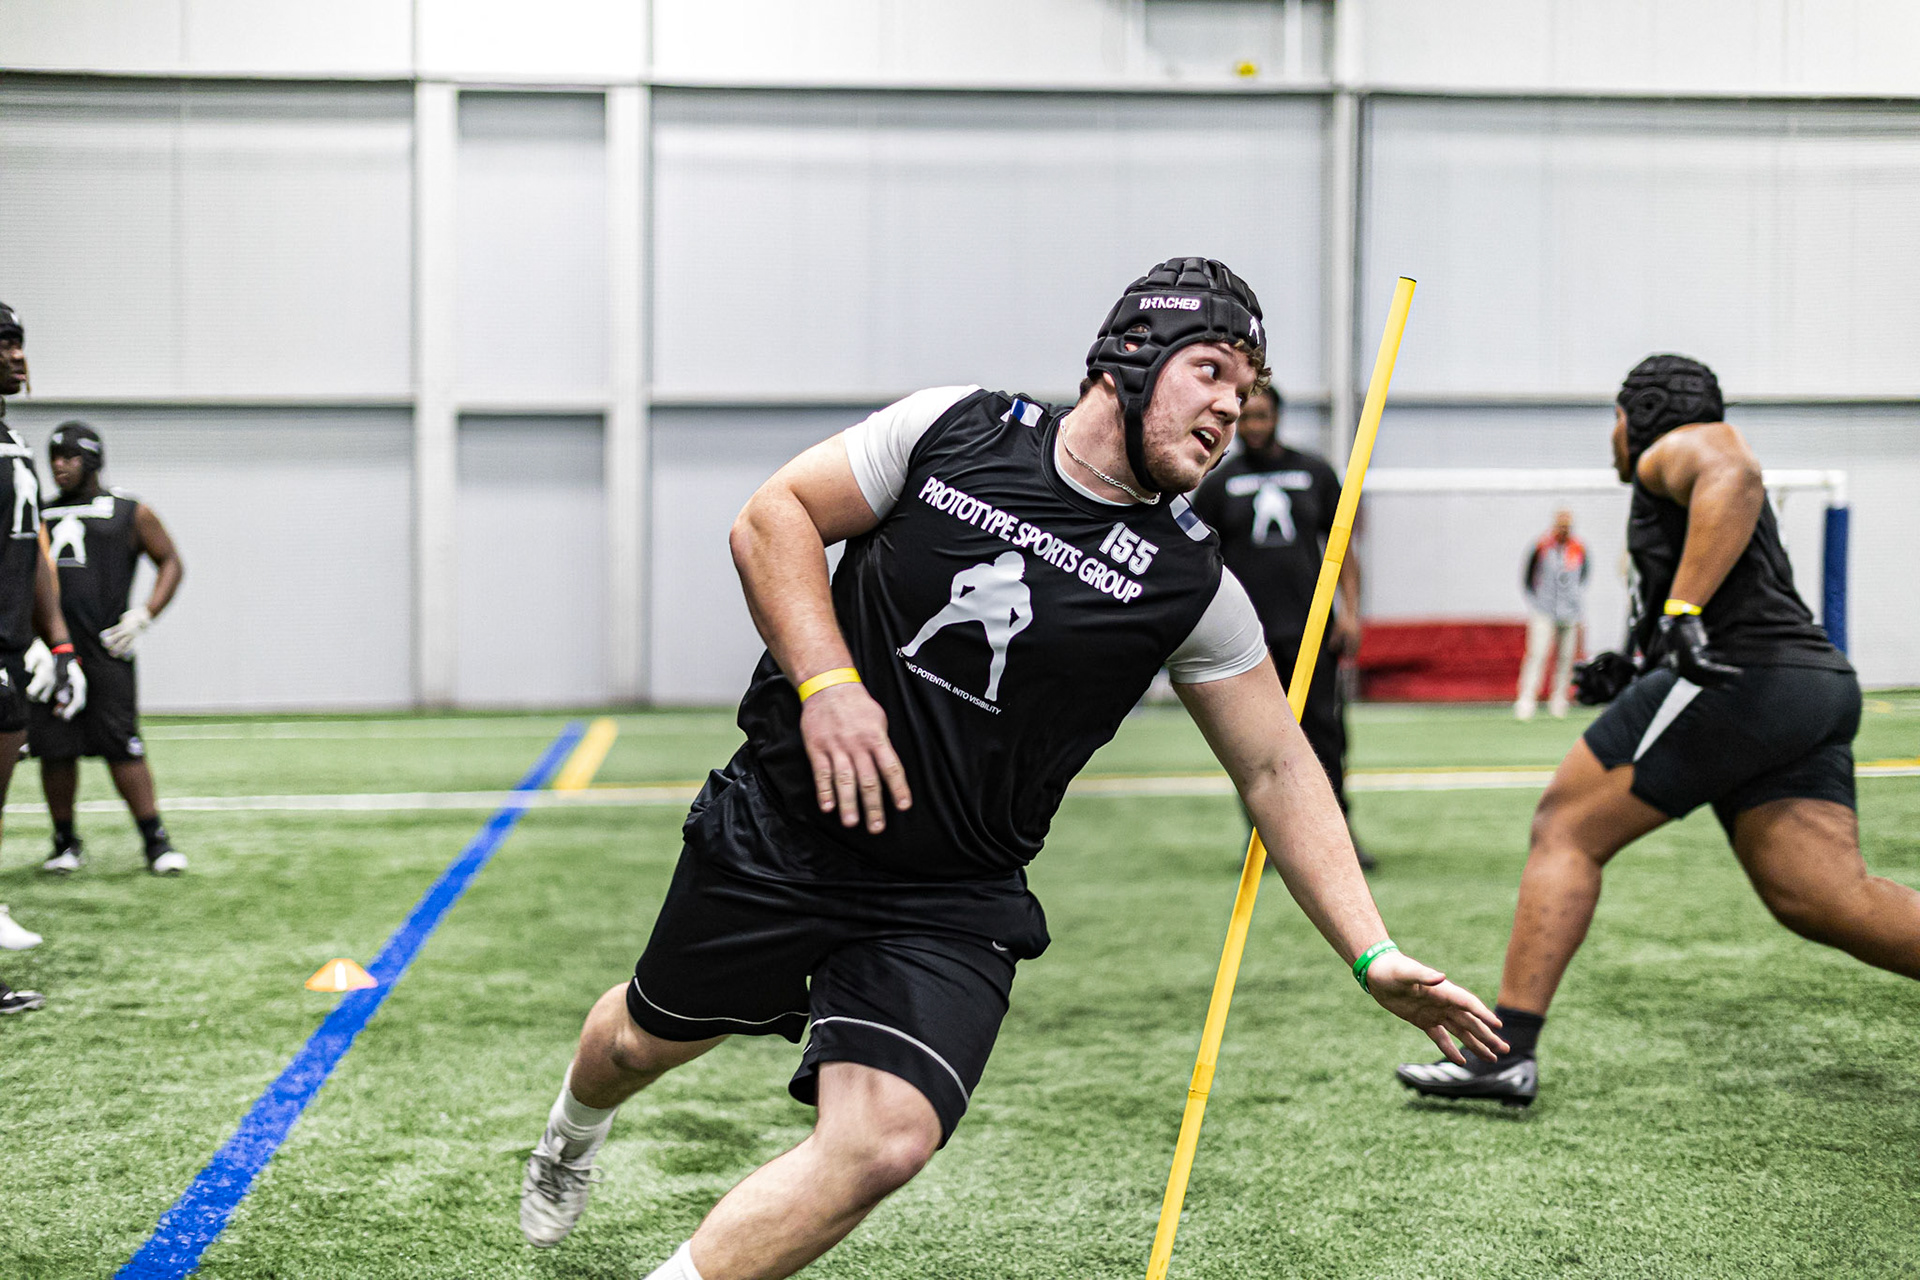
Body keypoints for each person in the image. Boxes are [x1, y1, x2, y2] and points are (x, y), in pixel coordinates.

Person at [519, 259, 1504, 1280]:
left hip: (950, 892)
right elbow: (774, 519)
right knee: (640, 1041)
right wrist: (829, 685)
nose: (1229, 407)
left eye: (1245, 389)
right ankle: (569, 1136)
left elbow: (1276, 766)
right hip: (783, 829)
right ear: (1130, 357)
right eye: (1211, 370)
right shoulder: (957, 429)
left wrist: (1371, 951)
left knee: (886, 1139)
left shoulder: (1191, 582)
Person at [1396, 354, 1909, 1108]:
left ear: (1637, 416)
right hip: (1811, 687)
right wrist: (1639, 660)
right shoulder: (1677, 494)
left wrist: (1682, 614)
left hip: (1742, 681)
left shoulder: (1670, 450)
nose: (1612, 436)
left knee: (1565, 827)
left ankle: (1505, 1054)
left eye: (1613, 419)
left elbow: (1734, 468)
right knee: (1826, 898)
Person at [1193, 385, 1370, 867]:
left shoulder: (1314, 473)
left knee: (1325, 735)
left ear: (1277, 418)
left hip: (1314, 631)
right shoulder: (1218, 484)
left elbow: (1342, 547)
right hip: (1246, 640)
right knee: (1254, 742)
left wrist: (1350, 612)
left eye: (1262, 416)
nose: (1254, 426)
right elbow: (1199, 562)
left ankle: (1338, 836)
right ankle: (1267, 840)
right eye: (1246, 418)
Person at [32, 421, 186, 875]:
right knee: (55, 748)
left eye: (70, 457)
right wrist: (32, 639)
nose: (59, 466)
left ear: (93, 460)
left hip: (106, 649)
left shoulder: (127, 510)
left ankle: (156, 842)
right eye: (54, 457)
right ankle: (65, 842)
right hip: (54, 652)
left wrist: (145, 614)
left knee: (123, 745)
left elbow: (170, 561)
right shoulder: (40, 514)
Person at [0, 301, 88, 1015]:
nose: (18, 356)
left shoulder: (13, 443)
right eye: (4, 344)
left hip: (9, 652)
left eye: (19, 343)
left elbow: (33, 552)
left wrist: (56, 643)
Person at [1513, 508, 1588, 720]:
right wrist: (1537, 601)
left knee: (1566, 657)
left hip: (1569, 612)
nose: (1564, 529)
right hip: (1544, 610)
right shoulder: (1542, 546)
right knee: (1537, 654)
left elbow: (1583, 576)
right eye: (1561, 525)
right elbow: (1528, 577)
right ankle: (1527, 698)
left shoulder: (1579, 548)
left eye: (1567, 526)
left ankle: (1559, 699)